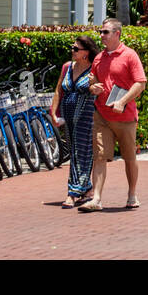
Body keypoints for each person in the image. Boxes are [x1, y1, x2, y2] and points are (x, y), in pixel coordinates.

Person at [79, 18, 147, 212]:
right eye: (101, 32)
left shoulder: (130, 55)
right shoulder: (99, 57)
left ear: (117, 34)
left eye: (105, 32)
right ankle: (97, 199)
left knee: (129, 157)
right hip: (102, 115)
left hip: (125, 117)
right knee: (99, 157)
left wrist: (122, 101)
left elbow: (140, 83)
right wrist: (94, 88)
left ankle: (132, 193)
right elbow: (93, 83)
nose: (101, 36)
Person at [50, 34, 98, 208]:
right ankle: (86, 189)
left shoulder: (94, 69)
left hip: (86, 116)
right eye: (72, 47)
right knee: (74, 152)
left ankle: (73, 192)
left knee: (81, 152)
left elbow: (98, 88)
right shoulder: (67, 67)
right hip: (68, 115)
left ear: (86, 52)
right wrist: (53, 113)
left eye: (76, 49)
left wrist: (94, 88)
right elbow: (58, 91)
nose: (72, 51)